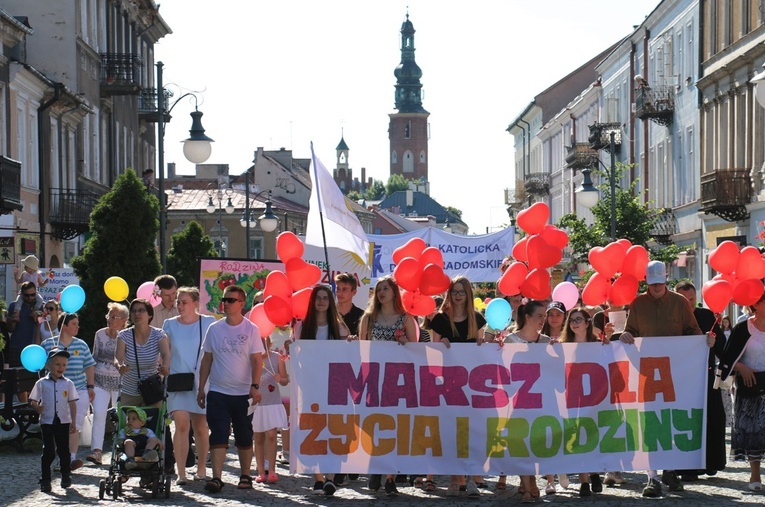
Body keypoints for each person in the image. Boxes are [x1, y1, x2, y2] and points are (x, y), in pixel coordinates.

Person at [619, 261, 709, 497]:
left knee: (671, 420)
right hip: (647, 373)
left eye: (660, 282)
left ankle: (670, 470)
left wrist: (703, 343)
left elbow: (693, 331)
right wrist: (626, 335)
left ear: (666, 279)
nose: (657, 287)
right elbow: (632, 333)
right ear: (646, 281)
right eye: (653, 283)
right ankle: (652, 477)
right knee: (650, 423)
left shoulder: (679, 302)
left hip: (675, 373)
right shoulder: (638, 303)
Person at [196, 285, 264, 494]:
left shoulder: (251, 329)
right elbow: (207, 359)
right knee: (218, 433)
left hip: (243, 393)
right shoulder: (214, 329)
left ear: (242, 304)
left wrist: (254, 386)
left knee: (244, 435)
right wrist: (201, 388)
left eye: (231, 300)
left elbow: (256, 360)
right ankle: (216, 477)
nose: (225, 303)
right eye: (224, 300)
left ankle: (245, 474)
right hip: (218, 392)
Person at [358, 276, 417, 496]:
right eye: (378, 289)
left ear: (394, 292)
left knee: (393, 425)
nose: (381, 292)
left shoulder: (406, 319)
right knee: (374, 425)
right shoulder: (368, 318)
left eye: (386, 288)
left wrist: (406, 345)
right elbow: (361, 348)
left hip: (397, 381)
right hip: (373, 378)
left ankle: (390, 474)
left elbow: (417, 352)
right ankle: (375, 467)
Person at [289, 285, 350, 495]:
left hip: (335, 387)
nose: (322, 301)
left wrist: (349, 343)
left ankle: (331, 477)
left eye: (325, 298)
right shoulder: (302, 327)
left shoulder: (339, 328)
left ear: (330, 302)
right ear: (312, 301)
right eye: (318, 298)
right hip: (311, 386)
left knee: (334, 429)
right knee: (313, 430)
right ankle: (317, 477)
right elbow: (297, 355)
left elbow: (347, 358)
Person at [429, 276, 486, 497]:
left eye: (462, 291)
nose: (458, 295)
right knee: (452, 431)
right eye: (454, 291)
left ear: (468, 294)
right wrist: (439, 345)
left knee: (471, 432)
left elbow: (483, 353)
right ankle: (456, 479)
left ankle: (471, 479)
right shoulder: (441, 320)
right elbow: (431, 352)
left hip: (473, 385)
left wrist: (485, 346)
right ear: (449, 294)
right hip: (448, 385)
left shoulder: (477, 320)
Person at [674, 281, 727, 480]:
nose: (689, 304)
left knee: (712, 418)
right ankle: (685, 468)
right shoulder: (672, 316)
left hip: (705, 377)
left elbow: (721, 345)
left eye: (692, 300)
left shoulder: (705, 316)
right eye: (684, 300)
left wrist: (713, 342)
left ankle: (711, 462)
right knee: (685, 420)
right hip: (680, 379)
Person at [162, 287, 215, 485]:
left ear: (195, 304)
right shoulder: (169, 324)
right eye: (178, 301)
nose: (180, 305)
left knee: (201, 426)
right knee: (181, 424)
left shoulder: (208, 322)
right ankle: (181, 472)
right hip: (177, 379)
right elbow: (164, 351)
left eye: (184, 301)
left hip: (201, 380)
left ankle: (202, 468)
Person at [716, 286, 765, 492]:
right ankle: (755, 474)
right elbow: (727, 359)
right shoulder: (743, 328)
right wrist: (741, 366)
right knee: (754, 430)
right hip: (750, 387)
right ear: (756, 304)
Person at [502, 300, 550, 502]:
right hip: (517, 402)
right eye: (539, 315)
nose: (543, 320)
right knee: (520, 443)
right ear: (528, 317)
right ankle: (529, 486)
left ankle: (528, 482)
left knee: (535, 443)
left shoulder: (547, 342)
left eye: (544, 316)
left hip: (540, 402)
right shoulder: (510, 340)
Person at [40, 312, 96, 472]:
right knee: (57, 426)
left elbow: (89, 366)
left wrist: (90, 386)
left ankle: (69, 459)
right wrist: (53, 357)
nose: (78, 327)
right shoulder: (48, 344)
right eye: (74, 324)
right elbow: (41, 366)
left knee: (74, 426)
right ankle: (59, 457)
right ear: (64, 326)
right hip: (54, 390)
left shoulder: (81, 344)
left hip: (78, 390)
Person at [559, 307, 601, 496]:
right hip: (572, 398)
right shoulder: (562, 346)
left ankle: (594, 472)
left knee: (593, 434)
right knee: (577, 436)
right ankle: (584, 480)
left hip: (594, 398)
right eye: (572, 320)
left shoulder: (598, 344)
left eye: (578, 319)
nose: (574, 323)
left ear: (587, 322)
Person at [28, 348, 78, 492]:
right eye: (57, 364)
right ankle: (45, 479)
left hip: (63, 421)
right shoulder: (41, 383)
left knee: (64, 450)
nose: (61, 368)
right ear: (48, 365)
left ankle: (66, 475)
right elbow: (33, 400)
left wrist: (74, 422)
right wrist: (37, 408)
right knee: (49, 451)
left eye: (64, 365)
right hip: (47, 421)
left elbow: (73, 403)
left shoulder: (68, 383)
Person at [86, 303, 128, 466]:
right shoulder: (99, 334)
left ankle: (121, 451)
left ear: (123, 321)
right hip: (100, 381)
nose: (109, 319)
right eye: (108, 316)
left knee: (121, 417)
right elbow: (94, 357)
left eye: (113, 317)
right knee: (99, 414)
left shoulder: (126, 336)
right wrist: (89, 382)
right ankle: (96, 451)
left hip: (120, 382)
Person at [114, 299, 171, 407]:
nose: (137, 314)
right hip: (129, 390)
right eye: (134, 311)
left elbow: (165, 354)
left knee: (154, 422)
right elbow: (118, 357)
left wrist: (165, 366)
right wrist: (119, 366)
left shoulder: (158, 334)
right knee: (126, 422)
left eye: (141, 310)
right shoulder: (124, 335)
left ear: (149, 315)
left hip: (152, 389)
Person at [252, 336, 289, 485]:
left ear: (270, 343)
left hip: (272, 403)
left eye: (265, 344)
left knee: (272, 435)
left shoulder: (277, 358)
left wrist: (280, 378)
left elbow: (286, 380)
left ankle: (272, 470)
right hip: (257, 404)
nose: (262, 347)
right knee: (258, 437)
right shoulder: (251, 360)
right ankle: (261, 471)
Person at [6, 282, 45, 399]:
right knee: (19, 383)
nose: (30, 298)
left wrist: (38, 318)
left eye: (32, 295)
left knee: (33, 382)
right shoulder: (14, 306)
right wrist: (13, 320)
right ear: (22, 294)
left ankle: (32, 407)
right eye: (27, 295)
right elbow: (10, 329)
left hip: (33, 348)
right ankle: (24, 408)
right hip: (16, 347)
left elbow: (43, 326)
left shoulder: (41, 306)